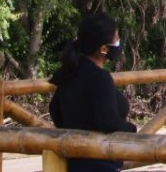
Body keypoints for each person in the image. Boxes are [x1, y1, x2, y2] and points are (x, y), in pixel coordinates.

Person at [49, 13, 137, 172]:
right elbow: (108, 122)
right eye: (117, 39)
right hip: (99, 162)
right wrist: (131, 129)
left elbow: (55, 110)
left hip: (75, 162)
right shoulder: (99, 78)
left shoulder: (71, 71)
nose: (119, 42)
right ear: (103, 49)